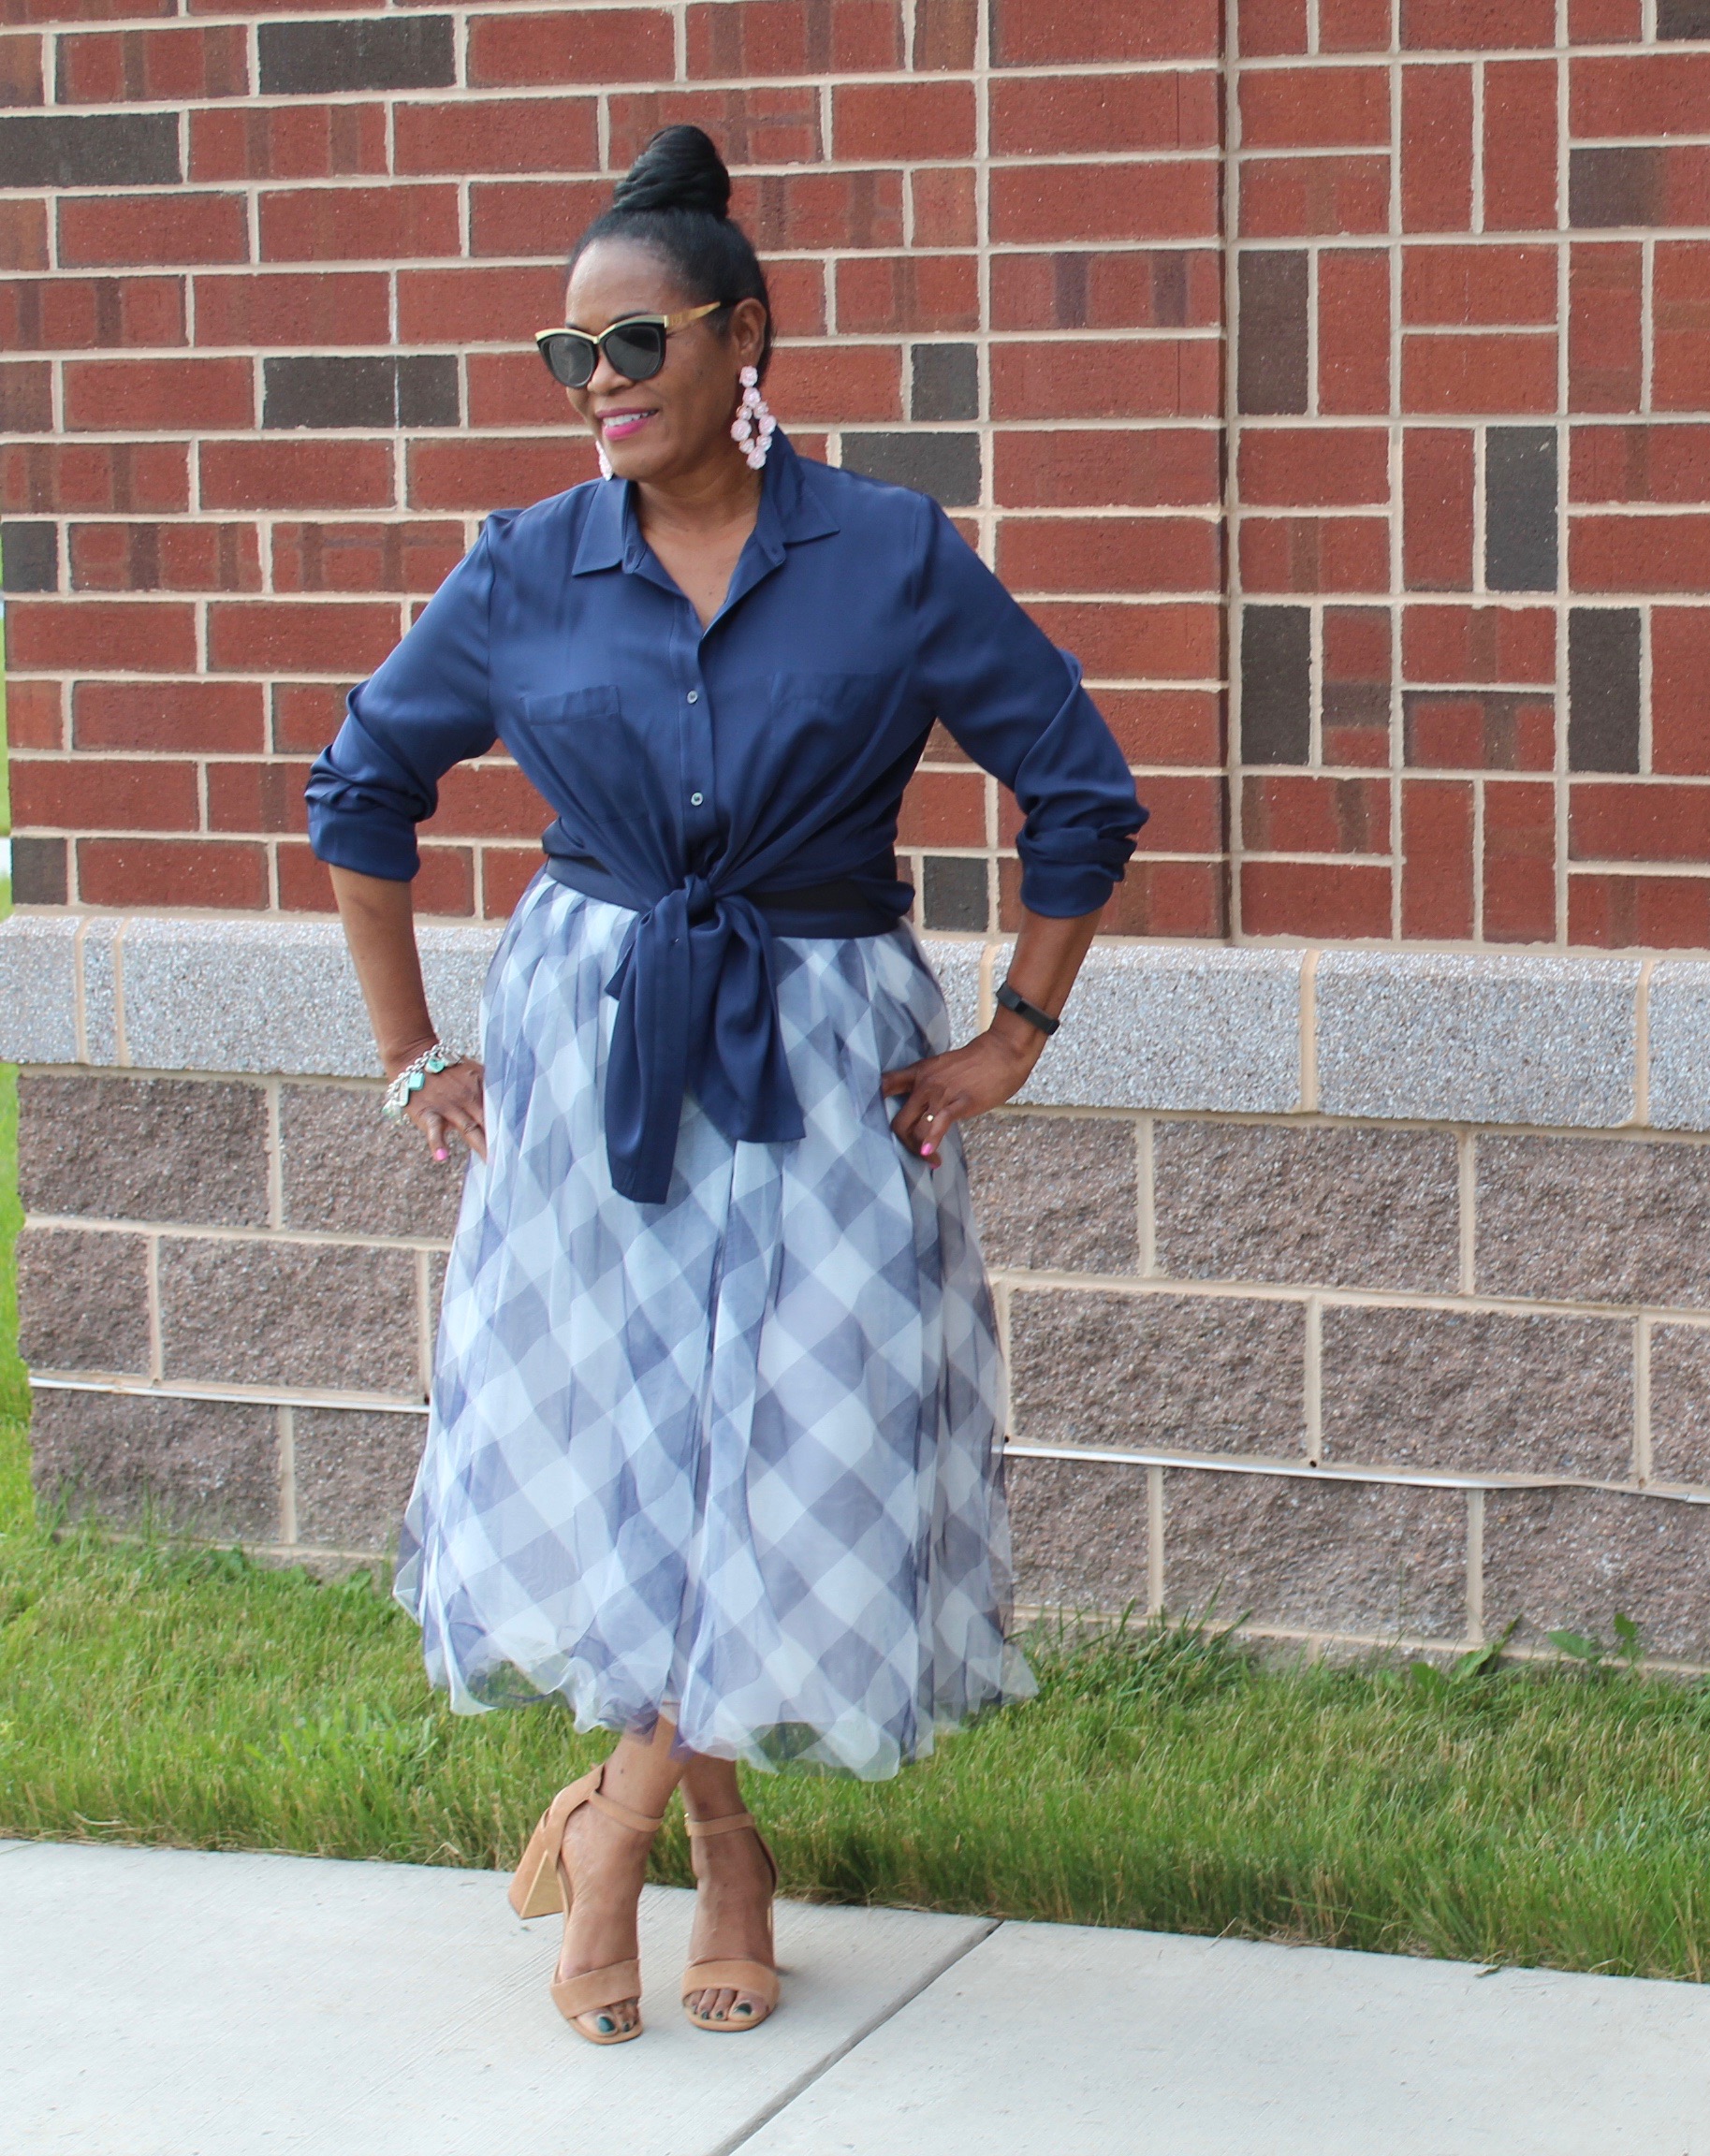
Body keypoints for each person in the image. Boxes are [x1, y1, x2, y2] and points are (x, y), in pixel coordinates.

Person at [305, 123, 1146, 2047]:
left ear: (743, 340)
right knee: (631, 1452)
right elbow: (361, 792)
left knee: (780, 1449)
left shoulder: (892, 556)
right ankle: (710, 1844)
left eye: (637, 349)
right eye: (568, 361)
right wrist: (411, 1047)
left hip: (828, 1062)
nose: (598, 390)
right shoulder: (524, 571)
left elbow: (1081, 791)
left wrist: (1015, 1031)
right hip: (597, 1056)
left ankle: (617, 1829)